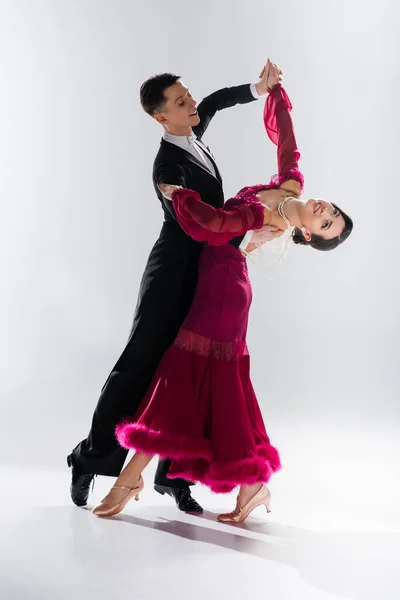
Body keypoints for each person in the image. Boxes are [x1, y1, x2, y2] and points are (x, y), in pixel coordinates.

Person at [90, 61, 354, 522]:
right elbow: (287, 140)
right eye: (333, 210)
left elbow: (219, 226)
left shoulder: (273, 218)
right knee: (220, 387)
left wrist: (183, 199)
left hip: (222, 290)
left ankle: (132, 476)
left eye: (325, 223)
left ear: (308, 235)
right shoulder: (288, 186)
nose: (324, 210)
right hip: (218, 280)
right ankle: (250, 485)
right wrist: (273, 93)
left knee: (181, 378)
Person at [67, 59, 286, 513]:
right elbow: (198, 221)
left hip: (207, 270)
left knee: (189, 373)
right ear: (160, 117)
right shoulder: (168, 167)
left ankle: (173, 477)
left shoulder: (192, 129)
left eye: (188, 97)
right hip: (172, 273)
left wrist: (258, 88)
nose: (192, 105)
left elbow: (213, 103)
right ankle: (89, 457)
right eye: (181, 102)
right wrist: (250, 228)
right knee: (140, 365)